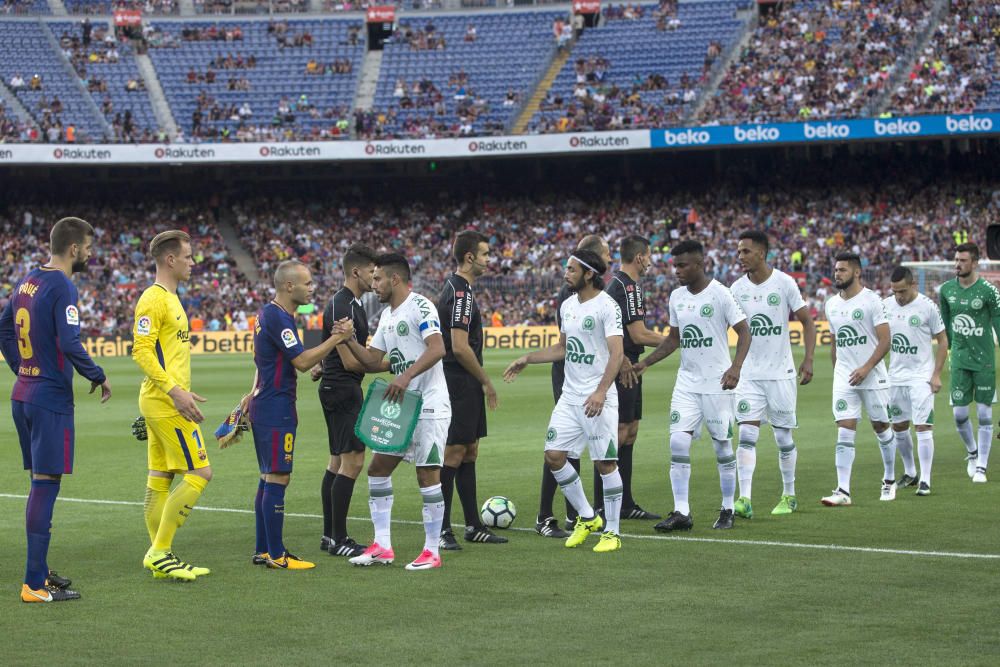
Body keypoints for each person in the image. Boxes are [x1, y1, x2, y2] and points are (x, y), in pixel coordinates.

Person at [0, 217, 111, 603]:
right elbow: (69, 341)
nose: (91, 255)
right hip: (49, 400)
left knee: (39, 484)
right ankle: (33, 583)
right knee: (46, 486)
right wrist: (97, 374)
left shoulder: (26, 279)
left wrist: (22, 369)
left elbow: (3, 328)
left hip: (24, 394)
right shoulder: (63, 285)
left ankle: (40, 569)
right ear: (74, 248)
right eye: (89, 248)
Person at [504, 249, 625, 553]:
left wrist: (600, 391)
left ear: (588, 274)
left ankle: (612, 532)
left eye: (571, 269)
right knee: (554, 455)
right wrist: (528, 358)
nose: (565, 273)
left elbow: (617, 354)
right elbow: (563, 348)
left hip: (598, 397)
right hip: (570, 397)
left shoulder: (607, 306)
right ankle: (587, 517)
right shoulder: (568, 305)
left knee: (605, 463)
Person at [630, 240, 750, 531]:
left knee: (722, 445)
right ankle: (681, 511)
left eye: (682, 265)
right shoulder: (676, 297)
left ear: (699, 264)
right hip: (687, 382)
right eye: (675, 265)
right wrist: (647, 363)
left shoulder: (721, 294)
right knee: (677, 441)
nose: (677, 271)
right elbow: (674, 338)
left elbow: (744, 332)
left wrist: (735, 367)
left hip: (716, 383)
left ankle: (727, 508)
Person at [343, 253, 451, 571]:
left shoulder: (420, 306)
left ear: (394, 279)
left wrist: (404, 377)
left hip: (429, 404)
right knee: (377, 470)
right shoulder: (387, 317)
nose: (372, 284)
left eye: (377, 278)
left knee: (427, 474)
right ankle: (382, 547)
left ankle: (432, 550)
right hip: (402, 409)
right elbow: (374, 361)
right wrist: (348, 340)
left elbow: (437, 348)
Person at [245, 260, 354, 570]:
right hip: (275, 407)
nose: (312, 288)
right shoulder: (279, 318)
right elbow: (302, 361)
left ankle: (264, 549)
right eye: (307, 283)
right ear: (289, 286)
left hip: (265, 403)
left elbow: (272, 361)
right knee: (278, 476)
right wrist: (337, 338)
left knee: (268, 477)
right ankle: (277, 555)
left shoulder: (270, 314)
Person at [132, 231, 213, 581]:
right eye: (189, 257)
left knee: (160, 477)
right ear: (170, 260)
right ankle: (160, 551)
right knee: (200, 473)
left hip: (163, 397)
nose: (192, 263)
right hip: (165, 402)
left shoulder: (173, 299)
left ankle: (160, 557)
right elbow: (141, 350)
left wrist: (180, 389)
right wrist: (175, 391)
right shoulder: (154, 299)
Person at [730, 230, 816, 518]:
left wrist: (809, 360)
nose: (740, 256)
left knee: (782, 438)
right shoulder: (736, 288)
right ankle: (744, 499)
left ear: (762, 253)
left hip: (780, 373)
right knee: (746, 434)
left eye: (746, 251)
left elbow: (807, 322)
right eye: (739, 251)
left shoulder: (784, 283)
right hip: (749, 375)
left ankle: (789, 495)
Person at [535, 234, 610, 538]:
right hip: (571, 378)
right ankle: (548, 515)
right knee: (563, 447)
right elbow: (567, 345)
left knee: (571, 448)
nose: (610, 258)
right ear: (592, 261)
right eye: (605, 253)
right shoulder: (571, 301)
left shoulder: (594, 299)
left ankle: (576, 515)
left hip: (588, 377)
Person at [436, 231, 505, 550]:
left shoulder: (460, 289)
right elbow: (460, 348)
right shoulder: (460, 293)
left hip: (463, 381)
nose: (489, 259)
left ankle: (473, 526)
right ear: (469, 257)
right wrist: (486, 381)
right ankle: (442, 528)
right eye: (486, 253)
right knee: (453, 452)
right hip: (458, 380)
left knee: (469, 449)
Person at [315, 243, 377, 558]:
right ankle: (339, 538)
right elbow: (351, 361)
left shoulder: (349, 304)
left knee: (338, 461)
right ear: (356, 271)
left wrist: (323, 365)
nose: (374, 276)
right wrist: (385, 364)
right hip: (343, 389)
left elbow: (329, 347)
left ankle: (330, 536)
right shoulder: (344, 306)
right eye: (370, 271)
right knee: (352, 461)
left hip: (336, 387)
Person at [821, 252, 893, 506]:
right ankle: (843, 491)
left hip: (872, 375)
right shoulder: (831, 305)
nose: (836, 273)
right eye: (836, 269)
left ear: (857, 272)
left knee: (881, 427)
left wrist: (866, 367)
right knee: (844, 428)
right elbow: (835, 342)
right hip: (845, 377)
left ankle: (890, 478)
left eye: (842, 270)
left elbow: (886, 339)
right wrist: (838, 372)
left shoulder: (872, 300)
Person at [604, 234, 663, 521]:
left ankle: (625, 503)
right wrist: (676, 340)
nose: (650, 261)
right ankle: (608, 504)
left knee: (630, 431)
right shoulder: (628, 288)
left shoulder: (618, 284)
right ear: (639, 257)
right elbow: (639, 334)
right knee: (618, 433)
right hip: (622, 367)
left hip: (628, 363)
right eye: (649, 255)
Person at [939, 242, 1000, 483]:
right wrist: (952, 351)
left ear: (974, 263)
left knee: (985, 414)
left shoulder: (988, 291)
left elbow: (998, 323)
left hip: (984, 362)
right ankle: (972, 452)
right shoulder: (946, 290)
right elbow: (946, 326)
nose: (957, 264)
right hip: (960, 362)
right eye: (956, 260)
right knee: (959, 415)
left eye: (962, 260)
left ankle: (982, 467)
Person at [884, 266, 948, 496]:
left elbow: (942, 340)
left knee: (922, 426)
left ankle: (926, 480)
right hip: (895, 377)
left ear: (913, 285)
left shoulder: (927, 306)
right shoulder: (886, 305)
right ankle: (910, 472)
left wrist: (936, 374)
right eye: (894, 291)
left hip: (921, 376)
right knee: (899, 426)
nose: (898, 296)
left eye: (901, 291)